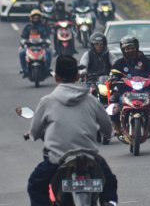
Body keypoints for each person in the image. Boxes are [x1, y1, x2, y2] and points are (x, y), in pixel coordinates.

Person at [27, 55, 118, 206]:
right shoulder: (91, 100)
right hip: (90, 159)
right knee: (109, 182)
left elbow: (35, 133)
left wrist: (32, 134)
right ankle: (109, 203)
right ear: (77, 76)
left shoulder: (47, 102)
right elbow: (108, 130)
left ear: (56, 77)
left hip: (57, 160)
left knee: (35, 185)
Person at [111, 35, 150, 137]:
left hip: (144, 91)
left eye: (132, 48)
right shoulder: (119, 63)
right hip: (124, 91)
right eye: (127, 49)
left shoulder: (146, 61)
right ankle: (116, 125)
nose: (130, 51)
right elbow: (113, 74)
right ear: (123, 50)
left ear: (137, 47)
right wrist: (113, 79)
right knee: (112, 100)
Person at [19, 9, 52, 78]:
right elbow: (23, 36)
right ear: (31, 18)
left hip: (41, 46)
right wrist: (24, 41)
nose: (36, 19)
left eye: (37, 17)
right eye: (34, 17)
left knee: (49, 52)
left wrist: (46, 41)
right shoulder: (28, 27)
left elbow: (47, 36)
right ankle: (24, 70)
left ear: (40, 18)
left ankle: (47, 69)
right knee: (21, 52)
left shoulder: (43, 26)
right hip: (30, 46)